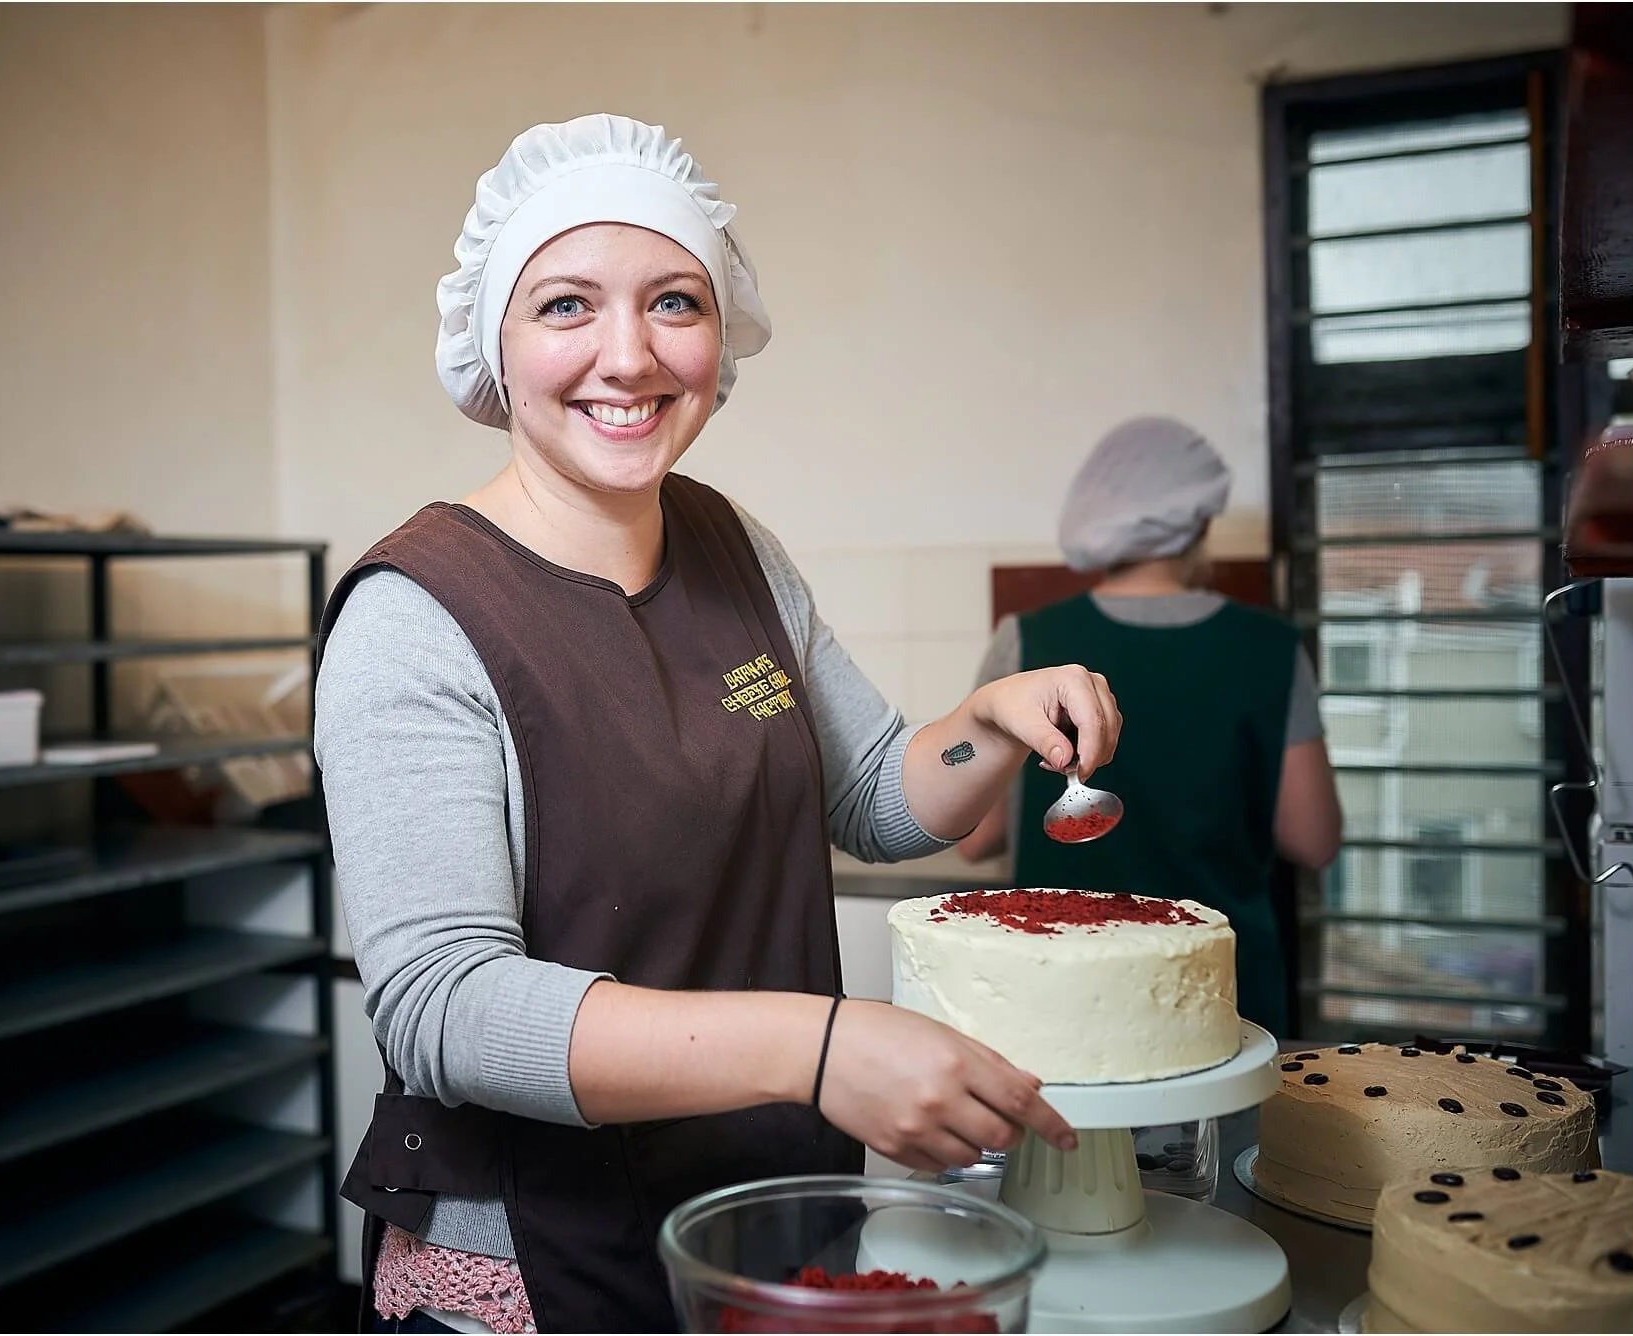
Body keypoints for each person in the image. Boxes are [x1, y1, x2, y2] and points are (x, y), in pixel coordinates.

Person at [314, 114, 1123, 1334]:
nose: (628, 356)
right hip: (541, 1256)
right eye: (566, 305)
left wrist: (988, 724)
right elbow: (446, 1009)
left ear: (720, 332)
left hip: (762, 1211)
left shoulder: (731, 546)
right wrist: (819, 1048)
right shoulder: (415, 613)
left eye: (674, 302)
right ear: (494, 341)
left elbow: (876, 798)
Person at [956, 416, 1342, 1038]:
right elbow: (1314, 839)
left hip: (1062, 992)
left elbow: (976, 838)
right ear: (1200, 524)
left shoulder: (1026, 641)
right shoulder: (1271, 648)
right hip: (1217, 994)